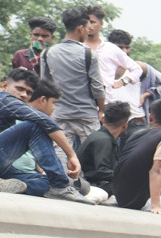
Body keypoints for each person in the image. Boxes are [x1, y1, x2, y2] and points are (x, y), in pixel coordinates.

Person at [0, 68, 85, 201]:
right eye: (20, 89)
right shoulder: (1, 97)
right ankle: (61, 187)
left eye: (28, 92)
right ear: (5, 86)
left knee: (46, 181)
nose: (24, 95)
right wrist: (71, 155)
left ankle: (8, 186)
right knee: (34, 126)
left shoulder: (10, 112)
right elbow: (46, 121)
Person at [39, 7, 105, 155]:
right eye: (87, 28)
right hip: (86, 115)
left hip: (60, 114)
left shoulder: (48, 53)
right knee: (91, 156)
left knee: (61, 154)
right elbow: (97, 87)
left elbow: (45, 85)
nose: (88, 32)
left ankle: (64, 179)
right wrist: (101, 109)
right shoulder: (88, 54)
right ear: (80, 28)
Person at [76, 101, 129, 196]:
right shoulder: (104, 140)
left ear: (103, 119)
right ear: (125, 124)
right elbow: (101, 171)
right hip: (92, 185)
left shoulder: (100, 137)